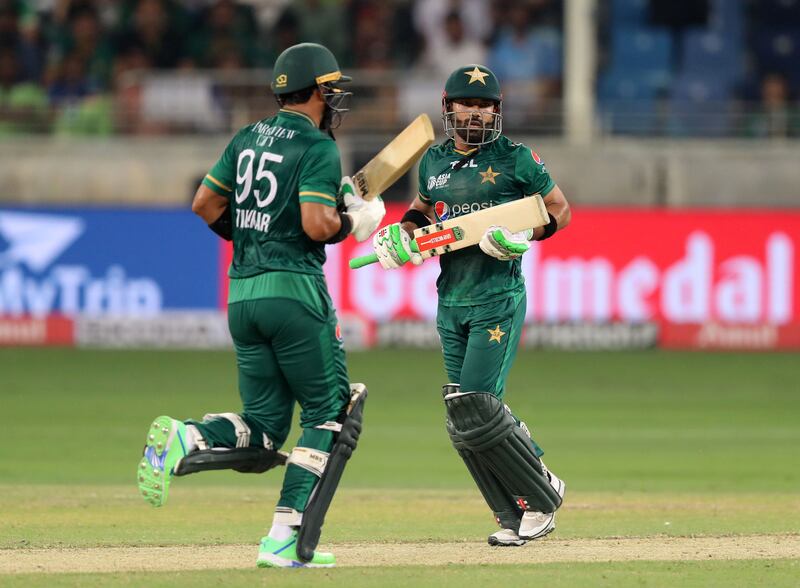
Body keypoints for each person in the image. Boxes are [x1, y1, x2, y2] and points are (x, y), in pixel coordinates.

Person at [136, 42, 385, 568]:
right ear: (317, 90)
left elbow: (205, 204)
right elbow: (318, 225)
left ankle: (187, 435)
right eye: (331, 89)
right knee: (331, 412)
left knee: (267, 425)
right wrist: (357, 224)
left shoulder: (246, 136)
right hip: (293, 292)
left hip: (242, 294)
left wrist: (255, 235)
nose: (335, 98)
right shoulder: (317, 147)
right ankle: (282, 539)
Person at [370, 64, 571, 546]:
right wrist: (402, 235)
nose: (477, 113)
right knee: (462, 415)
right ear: (449, 108)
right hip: (452, 298)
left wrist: (523, 236)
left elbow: (560, 211)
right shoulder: (433, 162)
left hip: (496, 297)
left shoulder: (517, 159)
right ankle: (510, 512)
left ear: (496, 112)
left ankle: (540, 496)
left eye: (486, 106)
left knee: (479, 406)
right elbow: (421, 212)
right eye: (468, 104)